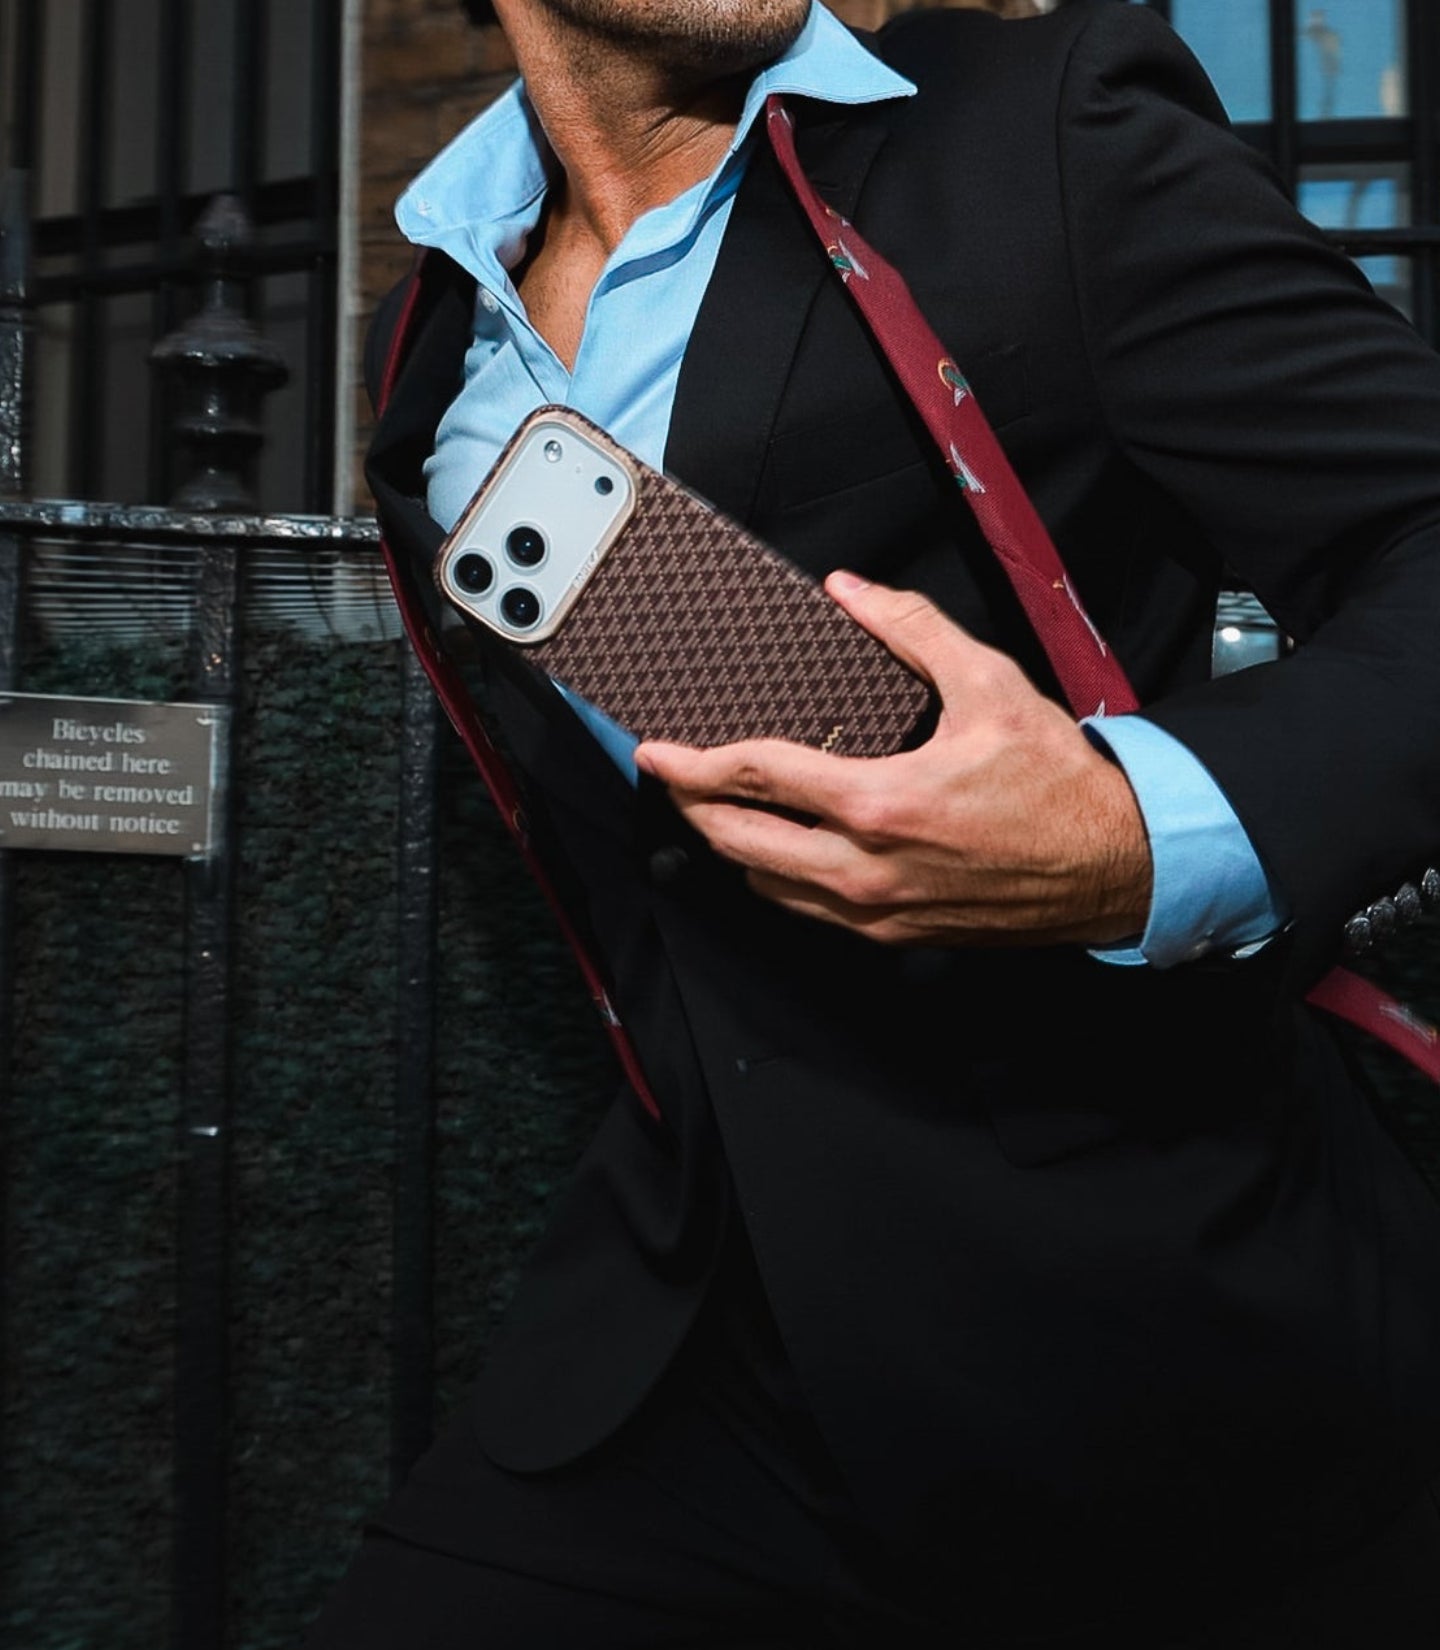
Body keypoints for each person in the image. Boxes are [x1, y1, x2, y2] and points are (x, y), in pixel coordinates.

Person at [314, 0, 1440, 1643]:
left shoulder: (1037, 135)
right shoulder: (428, 341)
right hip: (686, 1337)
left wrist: (1143, 835)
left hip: (1149, 1323)